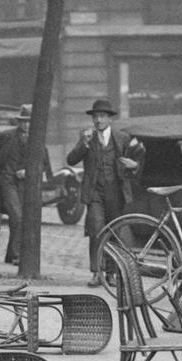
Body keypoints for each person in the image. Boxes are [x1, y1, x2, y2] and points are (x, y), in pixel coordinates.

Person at [66, 98, 144, 288]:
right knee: (96, 229)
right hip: (94, 193)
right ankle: (96, 272)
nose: (98, 120)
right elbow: (71, 160)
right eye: (95, 117)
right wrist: (83, 144)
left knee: (114, 233)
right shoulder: (87, 137)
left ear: (109, 119)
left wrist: (135, 166)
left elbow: (138, 159)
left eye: (102, 116)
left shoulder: (122, 138)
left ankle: (111, 273)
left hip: (116, 193)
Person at [0, 105, 52, 266]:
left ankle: (10, 254)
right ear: (18, 122)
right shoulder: (6, 136)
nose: (26, 126)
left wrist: (28, 171)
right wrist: (1, 172)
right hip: (8, 183)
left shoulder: (37, 139)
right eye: (23, 122)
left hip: (27, 185)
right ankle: (17, 255)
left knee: (21, 219)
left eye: (29, 122)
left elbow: (44, 164)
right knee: (17, 217)